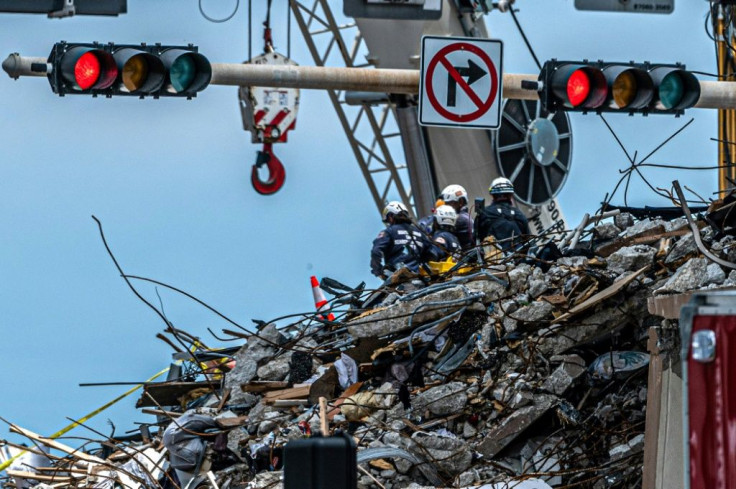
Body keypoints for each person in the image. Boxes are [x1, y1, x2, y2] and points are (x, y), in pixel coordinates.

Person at [370, 201, 432, 279]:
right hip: (419, 278)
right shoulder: (419, 232)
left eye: (388, 220)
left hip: (399, 279)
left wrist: (378, 272)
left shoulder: (389, 231)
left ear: (390, 216)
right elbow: (431, 252)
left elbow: (376, 251)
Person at [475, 177, 531, 251]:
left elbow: (476, 239)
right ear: (510, 195)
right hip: (520, 259)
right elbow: (529, 241)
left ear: (492, 195)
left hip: (494, 260)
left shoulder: (484, 213)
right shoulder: (519, 214)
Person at [440, 184, 474, 251]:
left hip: (463, 257)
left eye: (448, 203)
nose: (445, 207)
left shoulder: (460, 219)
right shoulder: (465, 216)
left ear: (460, 202)